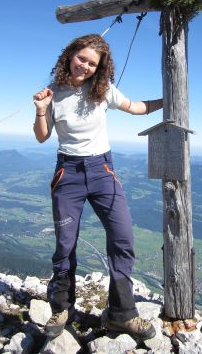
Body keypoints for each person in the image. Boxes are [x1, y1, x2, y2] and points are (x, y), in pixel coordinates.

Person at [33, 34, 162, 341]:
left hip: (102, 170)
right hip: (69, 173)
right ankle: (62, 308)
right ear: (70, 55)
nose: (86, 66)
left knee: (122, 238)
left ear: (100, 68)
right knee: (65, 244)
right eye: (82, 58)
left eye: (93, 63)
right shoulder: (54, 93)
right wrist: (40, 108)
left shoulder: (102, 90)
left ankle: (122, 314)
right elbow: (41, 136)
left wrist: (170, 100)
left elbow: (136, 107)